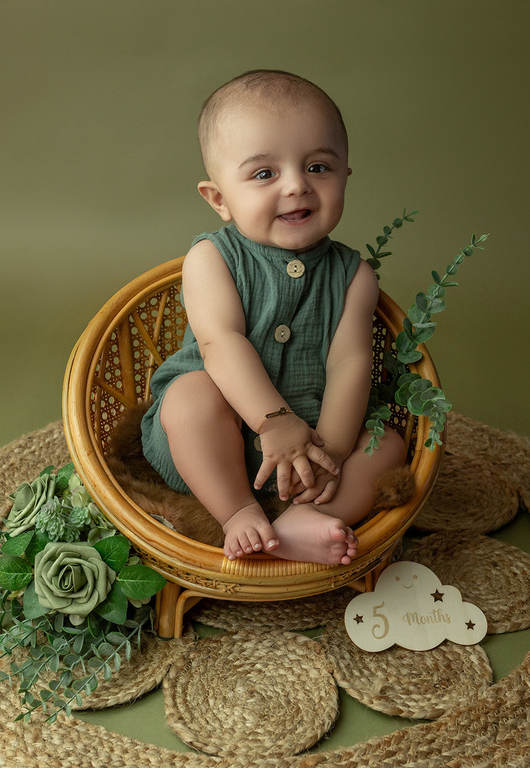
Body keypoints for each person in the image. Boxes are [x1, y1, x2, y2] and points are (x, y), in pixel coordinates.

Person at [141, 70, 406, 565]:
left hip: (310, 442)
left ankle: (296, 524)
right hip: (213, 445)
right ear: (219, 199)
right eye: (265, 174)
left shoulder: (355, 277)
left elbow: (349, 364)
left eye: (319, 167)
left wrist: (332, 452)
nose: (296, 187)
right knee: (189, 397)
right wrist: (273, 422)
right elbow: (221, 342)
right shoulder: (212, 259)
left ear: (345, 175)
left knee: (384, 447)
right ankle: (237, 511)